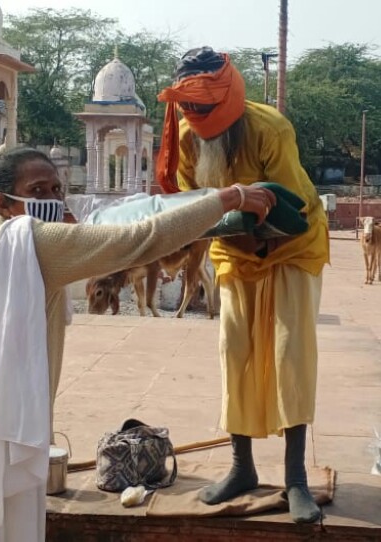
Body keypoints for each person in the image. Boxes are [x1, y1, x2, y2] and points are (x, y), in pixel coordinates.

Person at [0, 146, 276, 541]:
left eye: (55, 189)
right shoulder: (33, 241)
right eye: (37, 190)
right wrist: (225, 198)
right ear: (3, 201)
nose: (50, 200)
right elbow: (142, 238)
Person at [156, 47, 330, 523]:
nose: (197, 115)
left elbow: (292, 209)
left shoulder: (269, 128)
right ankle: (242, 468)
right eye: (189, 107)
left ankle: (296, 479)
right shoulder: (189, 137)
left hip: (291, 248)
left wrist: (257, 235)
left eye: (206, 105)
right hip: (234, 251)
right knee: (235, 353)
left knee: (289, 355)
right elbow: (195, 205)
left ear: (230, 93)